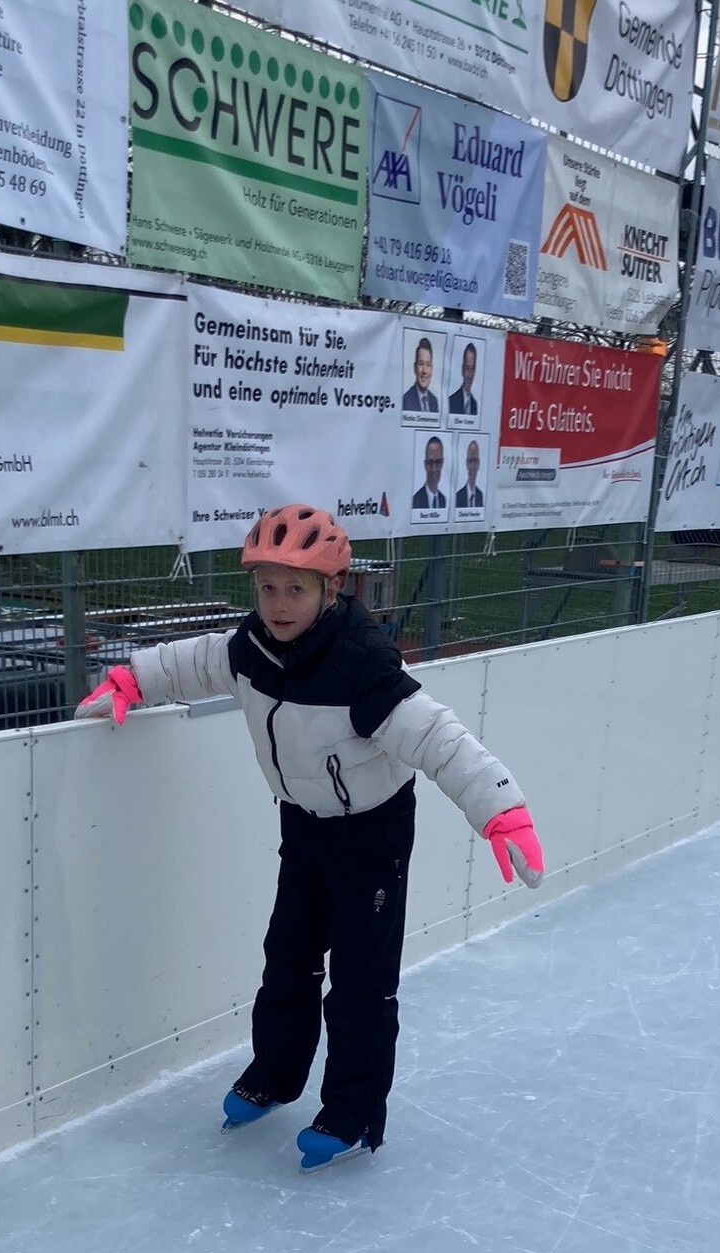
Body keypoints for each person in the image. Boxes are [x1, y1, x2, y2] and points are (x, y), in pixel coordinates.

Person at [75, 504, 544, 1172]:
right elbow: (195, 662)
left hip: (372, 834)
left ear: (332, 590)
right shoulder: (251, 648)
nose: (279, 603)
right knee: (288, 957)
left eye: (296, 589)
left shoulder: (362, 667)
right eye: (267, 587)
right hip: (303, 823)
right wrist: (131, 678)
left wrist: (501, 810)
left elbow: (438, 739)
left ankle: (351, 1111)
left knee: (359, 978)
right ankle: (275, 1074)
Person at [402, 337, 439, 413]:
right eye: (421, 364)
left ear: (432, 369)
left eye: (428, 365)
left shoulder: (434, 401)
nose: (424, 371)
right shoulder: (405, 400)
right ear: (415, 367)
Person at [412, 436, 448, 511]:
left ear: (442, 463)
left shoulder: (443, 500)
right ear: (425, 465)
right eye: (430, 462)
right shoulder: (415, 501)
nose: (434, 468)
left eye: (437, 462)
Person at [448, 342, 479, 416]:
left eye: (472, 368)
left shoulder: (474, 404)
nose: (469, 375)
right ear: (462, 370)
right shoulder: (452, 401)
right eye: (467, 368)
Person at [455, 439, 483, 510]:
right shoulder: (458, 496)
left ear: (478, 464)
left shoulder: (480, 495)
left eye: (475, 461)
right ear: (466, 464)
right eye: (470, 461)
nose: (473, 467)